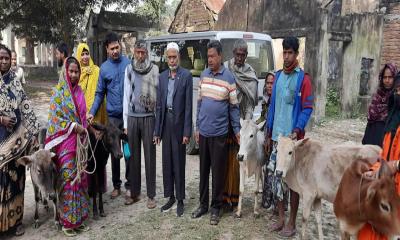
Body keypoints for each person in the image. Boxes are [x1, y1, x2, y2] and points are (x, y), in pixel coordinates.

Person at [265, 36, 313, 237]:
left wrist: (297, 130)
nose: (286, 56)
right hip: (276, 138)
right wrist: (268, 133)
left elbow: (307, 108)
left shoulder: (304, 79)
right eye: (284, 52)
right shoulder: (277, 77)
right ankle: (281, 218)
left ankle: (292, 222)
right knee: (276, 179)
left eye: (290, 52)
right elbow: (272, 107)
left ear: (297, 54)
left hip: (292, 141)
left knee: (292, 182)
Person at [191, 40, 240, 225]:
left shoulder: (229, 78)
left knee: (218, 173)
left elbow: (234, 108)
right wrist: (197, 128)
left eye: (212, 56)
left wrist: (237, 131)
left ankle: (216, 208)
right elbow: (200, 103)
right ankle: (203, 205)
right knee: (204, 172)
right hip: (203, 133)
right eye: (208, 56)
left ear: (220, 56)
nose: (209, 59)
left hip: (220, 134)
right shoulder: (203, 75)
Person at [44, 57, 89, 237]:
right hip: (65, 145)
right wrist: (72, 127)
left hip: (79, 144)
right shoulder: (58, 93)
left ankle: (78, 220)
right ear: (65, 71)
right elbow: (54, 121)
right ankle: (67, 222)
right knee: (68, 181)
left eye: (76, 71)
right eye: (70, 71)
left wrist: (83, 130)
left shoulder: (79, 92)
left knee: (78, 181)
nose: (73, 74)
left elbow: (83, 117)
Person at [0, 44, 39, 236]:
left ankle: (16, 223)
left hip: (17, 141)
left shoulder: (15, 81)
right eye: (1, 58)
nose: (4, 61)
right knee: (1, 182)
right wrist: (1, 119)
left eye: (7, 58)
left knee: (18, 180)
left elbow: (26, 109)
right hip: (0, 140)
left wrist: (33, 135)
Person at [88, 32, 131, 199]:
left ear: (120, 46)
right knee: (114, 152)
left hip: (128, 118)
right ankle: (116, 185)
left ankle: (129, 184)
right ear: (106, 49)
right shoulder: (104, 68)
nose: (115, 51)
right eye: (112, 48)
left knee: (127, 151)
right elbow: (99, 93)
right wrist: (92, 112)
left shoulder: (128, 64)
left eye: (117, 47)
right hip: (112, 119)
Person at [358, 73, 400, 239]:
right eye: (397, 90)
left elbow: (393, 163)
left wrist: (396, 166)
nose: (398, 94)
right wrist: (373, 170)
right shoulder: (392, 123)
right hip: (387, 190)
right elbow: (384, 156)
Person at [154, 42, 193, 216]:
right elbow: (159, 106)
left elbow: (188, 106)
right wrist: (157, 131)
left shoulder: (186, 76)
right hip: (165, 124)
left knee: (179, 163)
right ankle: (169, 196)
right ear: (166, 58)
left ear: (179, 57)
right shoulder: (162, 77)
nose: (171, 60)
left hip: (178, 125)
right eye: (169, 57)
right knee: (167, 162)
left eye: (174, 57)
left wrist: (187, 132)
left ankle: (180, 199)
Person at [123, 40, 159, 208]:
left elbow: (158, 98)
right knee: (133, 157)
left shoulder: (154, 70)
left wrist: (157, 125)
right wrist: (125, 122)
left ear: (147, 52)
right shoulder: (129, 69)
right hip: (132, 117)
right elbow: (126, 95)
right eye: (137, 52)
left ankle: (151, 195)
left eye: (142, 52)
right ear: (134, 52)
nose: (140, 55)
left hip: (149, 117)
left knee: (150, 156)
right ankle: (135, 192)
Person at [222, 39, 258, 210]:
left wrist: (247, 123)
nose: (240, 58)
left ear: (246, 55)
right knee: (224, 160)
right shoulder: (225, 68)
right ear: (233, 53)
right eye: (238, 54)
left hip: (241, 123)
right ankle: (222, 197)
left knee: (238, 161)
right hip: (224, 121)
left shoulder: (250, 73)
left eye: (243, 55)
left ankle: (235, 198)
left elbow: (251, 102)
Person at [75, 43, 109, 216]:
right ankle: (87, 190)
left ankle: (100, 188)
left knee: (100, 157)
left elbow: (100, 94)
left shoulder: (97, 70)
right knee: (86, 158)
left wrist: (100, 122)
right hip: (82, 124)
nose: (85, 57)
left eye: (87, 53)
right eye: (82, 54)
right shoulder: (75, 73)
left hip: (98, 121)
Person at [362, 63, 396, 147]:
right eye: (385, 77)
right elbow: (370, 119)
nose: (387, 80)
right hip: (371, 137)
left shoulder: (396, 97)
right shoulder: (378, 95)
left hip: (386, 139)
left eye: (390, 77)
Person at [259, 72, 275, 209]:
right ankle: (267, 200)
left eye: (272, 83)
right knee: (267, 168)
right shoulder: (266, 100)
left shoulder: (277, 100)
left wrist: (269, 137)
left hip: (274, 137)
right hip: (266, 137)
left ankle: (274, 201)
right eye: (268, 83)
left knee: (273, 169)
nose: (269, 86)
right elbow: (263, 118)